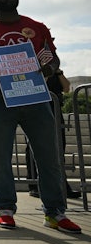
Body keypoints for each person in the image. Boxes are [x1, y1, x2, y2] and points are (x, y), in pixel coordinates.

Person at [0, 0, 81, 233]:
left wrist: (50, 68)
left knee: (49, 156)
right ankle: (5, 209)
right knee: (0, 155)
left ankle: (55, 212)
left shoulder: (36, 27)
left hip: (34, 94)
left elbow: (50, 56)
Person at [26, 69, 81, 199]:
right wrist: (45, 72)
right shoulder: (35, 69)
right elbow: (40, 85)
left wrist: (58, 72)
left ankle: (62, 186)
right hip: (37, 111)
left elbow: (67, 88)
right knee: (34, 149)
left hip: (55, 110)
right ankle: (34, 185)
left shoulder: (55, 72)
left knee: (59, 149)